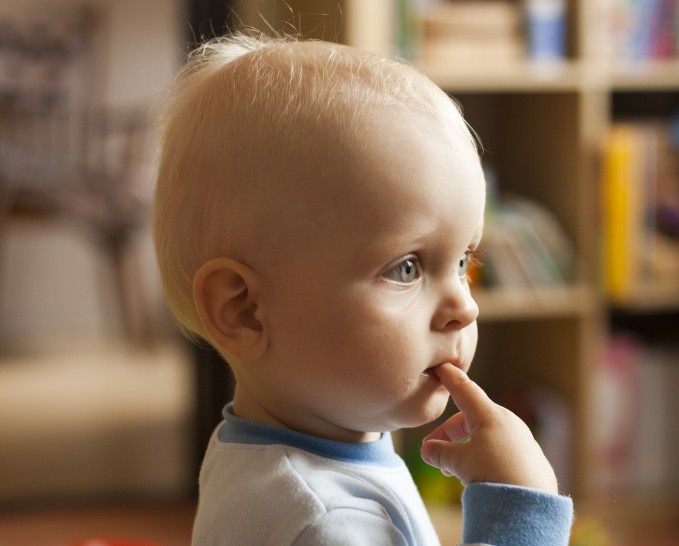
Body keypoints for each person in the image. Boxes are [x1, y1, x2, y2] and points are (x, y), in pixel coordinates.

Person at [152, 31, 574, 545]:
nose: (464, 306)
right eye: (406, 268)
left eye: (464, 260)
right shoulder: (326, 522)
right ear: (245, 311)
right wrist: (518, 514)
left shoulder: (286, 445)